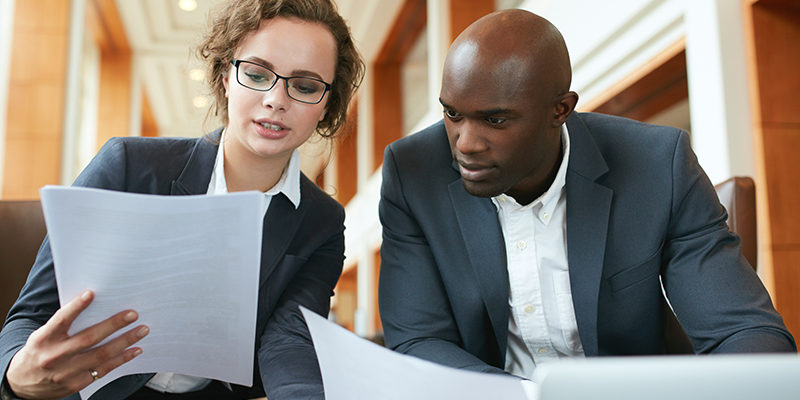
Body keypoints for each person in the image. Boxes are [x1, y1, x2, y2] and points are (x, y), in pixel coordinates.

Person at [378, 8, 795, 383]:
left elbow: (746, 334)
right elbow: (417, 341)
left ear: (560, 110)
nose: (464, 143)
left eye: (495, 119)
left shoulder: (658, 167)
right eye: (452, 113)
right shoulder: (413, 174)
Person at [0, 0, 364, 398]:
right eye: (257, 74)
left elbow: (289, 339)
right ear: (226, 76)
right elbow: (31, 314)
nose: (276, 99)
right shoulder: (127, 166)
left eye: (305, 86)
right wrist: (16, 377)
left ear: (327, 103)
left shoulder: (322, 222)